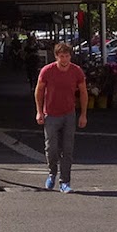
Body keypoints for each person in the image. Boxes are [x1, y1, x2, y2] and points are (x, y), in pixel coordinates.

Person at [34, 41, 88, 193]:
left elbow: (83, 93)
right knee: (51, 147)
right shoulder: (47, 71)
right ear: (56, 57)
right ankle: (52, 173)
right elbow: (38, 91)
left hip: (69, 113)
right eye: (61, 56)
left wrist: (83, 114)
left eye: (67, 56)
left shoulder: (76, 71)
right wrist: (39, 111)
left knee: (68, 148)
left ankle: (65, 180)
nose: (64, 60)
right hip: (51, 113)